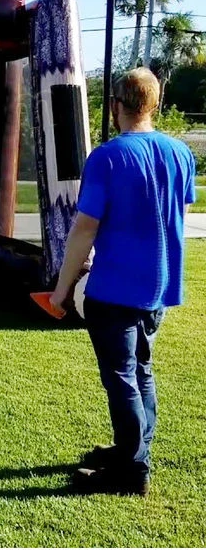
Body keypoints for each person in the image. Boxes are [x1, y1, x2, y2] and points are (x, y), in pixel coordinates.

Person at [50, 67, 196, 496]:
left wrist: (61, 292)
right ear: (156, 103)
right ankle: (132, 453)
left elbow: (83, 230)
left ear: (115, 106)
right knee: (142, 373)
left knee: (122, 378)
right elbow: (178, 218)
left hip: (113, 289)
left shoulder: (108, 157)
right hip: (158, 288)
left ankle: (131, 471)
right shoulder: (181, 154)